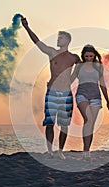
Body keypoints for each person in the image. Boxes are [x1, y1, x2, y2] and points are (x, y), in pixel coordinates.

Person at [21, 17, 80, 160]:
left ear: (68, 40)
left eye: (61, 38)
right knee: (49, 122)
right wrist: (27, 27)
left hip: (66, 94)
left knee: (65, 124)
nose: (58, 40)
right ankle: (50, 150)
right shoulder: (52, 52)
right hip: (52, 92)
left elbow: (78, 72)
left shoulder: (74, 57)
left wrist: (68, 83)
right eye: (58, 38)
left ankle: (60, 150)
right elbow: (38, 42)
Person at [71, 44, 109, 159]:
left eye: (91, 56)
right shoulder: (79, 66)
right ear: (83, 56)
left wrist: (108, 101)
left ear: (94, 55)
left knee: (91, 124)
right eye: (87, 56)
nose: (89, 58)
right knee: (88, 119)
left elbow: (102, 83)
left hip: (95, 96)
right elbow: (72, 78)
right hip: (82, 94)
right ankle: (85, 151)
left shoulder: (98, 66)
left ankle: (87, 150)